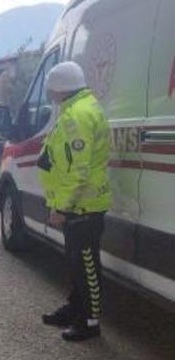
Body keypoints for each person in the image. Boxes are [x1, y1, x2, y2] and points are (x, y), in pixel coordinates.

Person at [38, 62, 112, 342]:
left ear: (59, 88)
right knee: (75, 262)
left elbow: (77, 171)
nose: (49, 93)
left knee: (86, 265)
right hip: (78, 204)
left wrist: (62, 207)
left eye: (50, 88)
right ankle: (75, 308)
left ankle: (90, 322)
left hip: (83, 206)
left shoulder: (77, 116)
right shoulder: (78, 109)